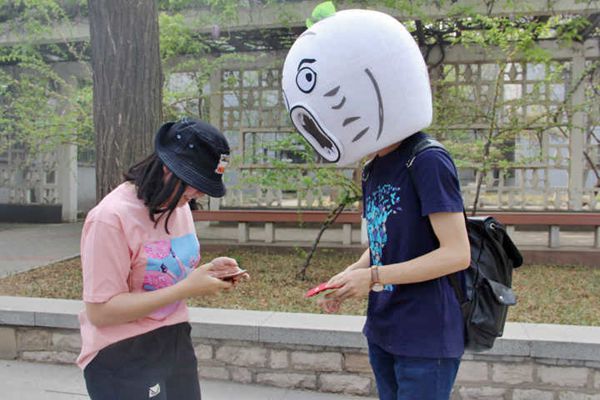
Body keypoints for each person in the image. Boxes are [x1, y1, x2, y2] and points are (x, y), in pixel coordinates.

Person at [281, 5, 470, 399]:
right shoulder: (372, 168)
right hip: (383, 328)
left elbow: (456, 254)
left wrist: (372, 278)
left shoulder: (427, 160)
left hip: (426, 337)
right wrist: (351, 274)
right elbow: (387, 240)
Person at [77, 118, 247, 400]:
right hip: (122, 353)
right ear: (168, 168)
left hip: (174, 339)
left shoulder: (179, 206)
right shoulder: (110, 218)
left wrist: (210, 273)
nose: (199, 193)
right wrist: (187, 288)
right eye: (195, 184)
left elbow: (168, 271)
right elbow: (101, 312)